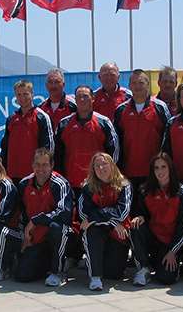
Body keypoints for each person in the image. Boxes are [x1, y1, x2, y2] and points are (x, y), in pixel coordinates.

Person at [54, 84, 118, 267]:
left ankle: (96, 256)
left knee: (94, 218)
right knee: (73, 220)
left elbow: (114, 151)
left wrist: (106, 177)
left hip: (97, 184)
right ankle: (74, 256)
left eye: (86, 96)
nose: (82, 100)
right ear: (75, 100)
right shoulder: (65, 123)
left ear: (93, 99)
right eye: (79, 97)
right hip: (72, 182)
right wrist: (62, 179)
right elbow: (58, 153)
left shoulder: (104, 122)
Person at [130, 152, 183, 286]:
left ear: (170, 168)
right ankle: (143, 268)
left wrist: (173, 251)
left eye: (163, 167)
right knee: (135, 226)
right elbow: (142, 213)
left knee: (166, 279)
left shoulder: (182, 191)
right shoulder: (145, 190)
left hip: (171, 242)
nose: (160, 171)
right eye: (156, 168)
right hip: (154, 237)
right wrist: (139, 216)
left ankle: (168, 264)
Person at [14, 148, 73, 286]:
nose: (41, 169)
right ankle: (46, 263)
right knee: (22, 275)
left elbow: (64, 213)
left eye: (45, 164)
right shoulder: (24, 184)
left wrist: (35, 220)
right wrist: (24, 237)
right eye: (37, 164)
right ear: (32, 165)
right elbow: (20, 214)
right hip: (36, 237)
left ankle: (58, 271)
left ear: (52, 165)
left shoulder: (60, 183)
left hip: (62, 234)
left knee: (56, 227)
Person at [78, 152, 132, 291]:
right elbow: (84, 214)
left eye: (104, 164)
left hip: (117, 233)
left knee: (113, 274)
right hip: (100, 230)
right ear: (93, 169)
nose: (101, 168)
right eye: (97, 166)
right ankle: (95, 277)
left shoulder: (124, 185)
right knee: (92, 230)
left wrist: (98, 218)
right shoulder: (87, 187)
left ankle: (99, 263)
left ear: (112, 166)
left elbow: (122, 212)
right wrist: (112, 221)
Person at [114, 69, 170, 189]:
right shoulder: (121, 110)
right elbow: (117, 142)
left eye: (141, 83)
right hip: (128, 172)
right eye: (134, 83)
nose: (137, 86)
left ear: (148, 85)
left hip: (154, 172)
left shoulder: (160, 107)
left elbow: (168, 138)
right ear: (129, 86)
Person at [0, 80, 54, 183]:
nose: (22, 98)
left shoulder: (42, 117)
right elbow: (5, 147)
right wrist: (3, 171)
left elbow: (48, 149)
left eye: (25, 94)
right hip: (12, 175)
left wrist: (43, 172)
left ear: (32, 94)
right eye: (19, 94)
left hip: (34, 176)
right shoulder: (11, 119)